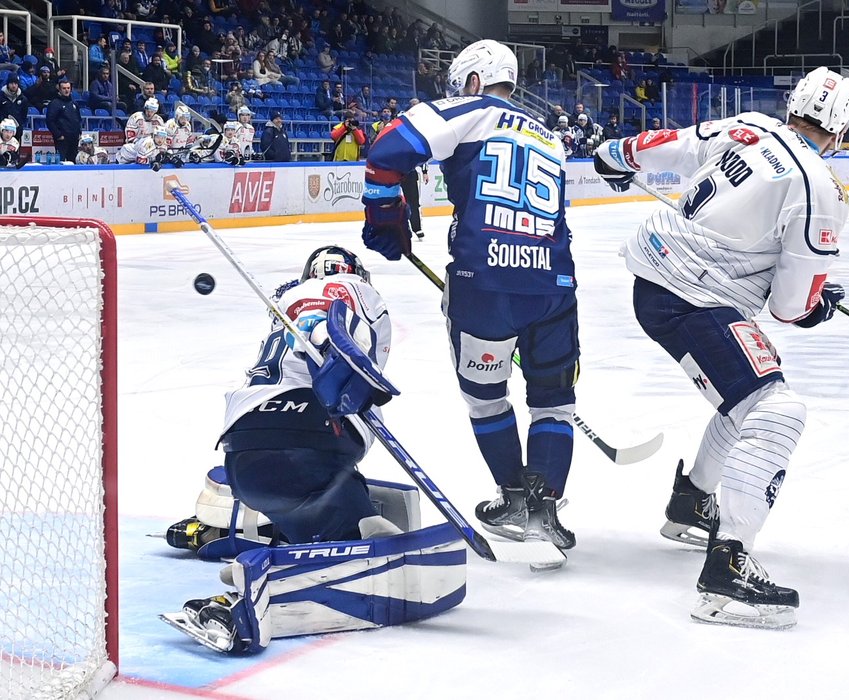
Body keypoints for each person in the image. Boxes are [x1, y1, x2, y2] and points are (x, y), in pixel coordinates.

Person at [592, 66, 849, 629]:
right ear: (841, 128)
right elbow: (790, 308)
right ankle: (727, 568)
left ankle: (692, 504)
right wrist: (819, 304)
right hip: (695, 299)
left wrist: (615, 154)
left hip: (656, 279)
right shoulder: (820, 189)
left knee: (749, 400)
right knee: (778, 410)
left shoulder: (749, 127)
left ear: (794, 106)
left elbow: (667, 145)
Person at [160, 249, 466, 654]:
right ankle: (250, 595)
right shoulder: (355, 290)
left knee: (321, 503)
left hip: (244, 451)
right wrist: (336, 348)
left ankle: (260, 545)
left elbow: (308, 321)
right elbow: (324, 320)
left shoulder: (282, 301)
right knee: (350, 527)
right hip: (312, 438)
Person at [361, 39, 579, 554]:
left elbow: (387, 150)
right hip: (552, 283)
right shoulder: (550, 134)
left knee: (487, 399)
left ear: (475, 82)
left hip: (481, 282)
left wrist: (385, 213)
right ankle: (544, 509)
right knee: (555, 402)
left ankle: (512, 498)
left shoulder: (472, 110)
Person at [45, 78, 81, 162]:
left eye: (68, 88)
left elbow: (78, 119)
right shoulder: (55, 103)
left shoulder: (74, 103)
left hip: (74, 139)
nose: (66, 90)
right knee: (60, 162)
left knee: (73, 162)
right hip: (62, 139)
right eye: (64, 88)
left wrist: (79, 132)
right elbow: (50, 121)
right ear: (60, 90)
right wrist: (58, 135)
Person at [399, 159, 428, 239]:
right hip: (393, 172)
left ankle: (417, 228)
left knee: (413, 203)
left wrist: (424, 171)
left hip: (409, 174)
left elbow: (423, 155)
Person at [0, 73, 28, 141]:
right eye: (12, 83)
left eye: (15, 83)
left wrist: (19, 126)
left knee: (14, 149)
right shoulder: (1, 97)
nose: (14, 85)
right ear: (8, 84)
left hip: (16, 130)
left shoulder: (23, 99)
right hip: (2, 130)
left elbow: (24, 115)